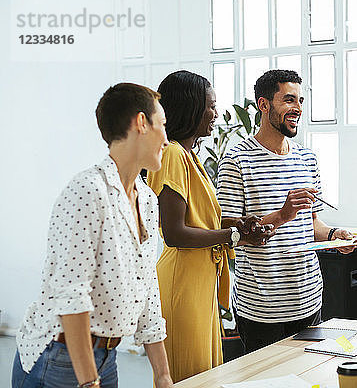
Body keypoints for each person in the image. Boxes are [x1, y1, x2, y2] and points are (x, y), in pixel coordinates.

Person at [12, 83, 173, 388]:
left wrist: (162, 375)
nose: (166, 139)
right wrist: (88, 382)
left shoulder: (147, 200)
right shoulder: (87, 191)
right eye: (162, 125)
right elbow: (72, 296)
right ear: (141, 123)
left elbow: (148, 286)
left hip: (106, 357)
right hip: (59, 357)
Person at [146, 70, 274, 382]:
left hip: (199, 278)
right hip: (182, 281)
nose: (216, 113)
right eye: (211, 106)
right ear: (190, 107)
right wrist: (234, 235)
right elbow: (175, 232)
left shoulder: (190, 155)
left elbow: (201, 220)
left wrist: (238, 224)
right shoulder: (173, 153)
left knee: (207, 374)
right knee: (189, 376)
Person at [217, 69, 355, 354]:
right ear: (263, 105)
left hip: (307, 300)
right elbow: (228, 233)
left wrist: (335, 235)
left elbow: (312, 223)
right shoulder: (236, 160)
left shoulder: (307, 158)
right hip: (260, 308)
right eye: (289, 100)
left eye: (301, 101)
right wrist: (281, 215)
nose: (298, 109)